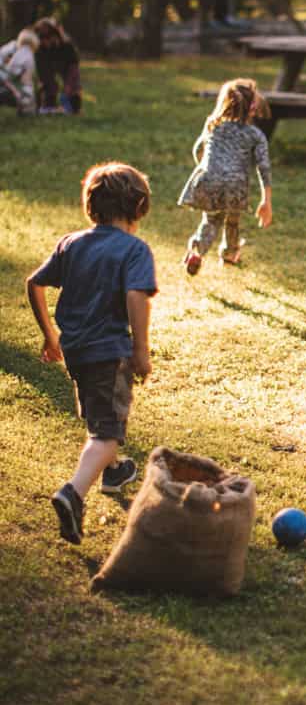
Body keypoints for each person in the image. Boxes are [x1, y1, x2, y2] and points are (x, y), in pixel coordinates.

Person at [26, 162, 157, 545]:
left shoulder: (72, 243)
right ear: (139, 207)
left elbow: (34, 283)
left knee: (99, 416)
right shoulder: (134, 249)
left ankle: (113, 472)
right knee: (108, 432)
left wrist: (50, 335)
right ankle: (74, 492)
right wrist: (140, 349)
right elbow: (136, 296)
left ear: (91, 206)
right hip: (108, 352)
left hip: (76, 351)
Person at [179, 77, 272, 274]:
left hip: (209, 177)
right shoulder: (255, 134)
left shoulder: (213, 124)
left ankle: (197, 252)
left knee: (211, 220)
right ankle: (230, 255)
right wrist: (266, 200)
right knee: (232, 220)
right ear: (252, 108)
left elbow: (198, 150)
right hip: (235, 184)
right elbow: (264, 167)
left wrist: (208, 167)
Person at [33, 17, 82, 114]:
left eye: (47, 38)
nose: (44, 42)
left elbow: (73, 67)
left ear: (55, 35)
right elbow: (43, 73)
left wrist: (68, 87)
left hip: (67, 65)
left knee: (71, 87)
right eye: (41, 39)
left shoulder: (67, 46)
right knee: (48, 86)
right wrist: (49, 85)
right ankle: (48, 105)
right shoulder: (39, 50)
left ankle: (74, 107)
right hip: (48, 65)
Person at [0, 27, 39, 115]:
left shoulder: (14, 48)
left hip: (7, 82)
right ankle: (27, 109)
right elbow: (25, 79)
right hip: (10, 86)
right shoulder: (28, 55)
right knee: (27, 93)